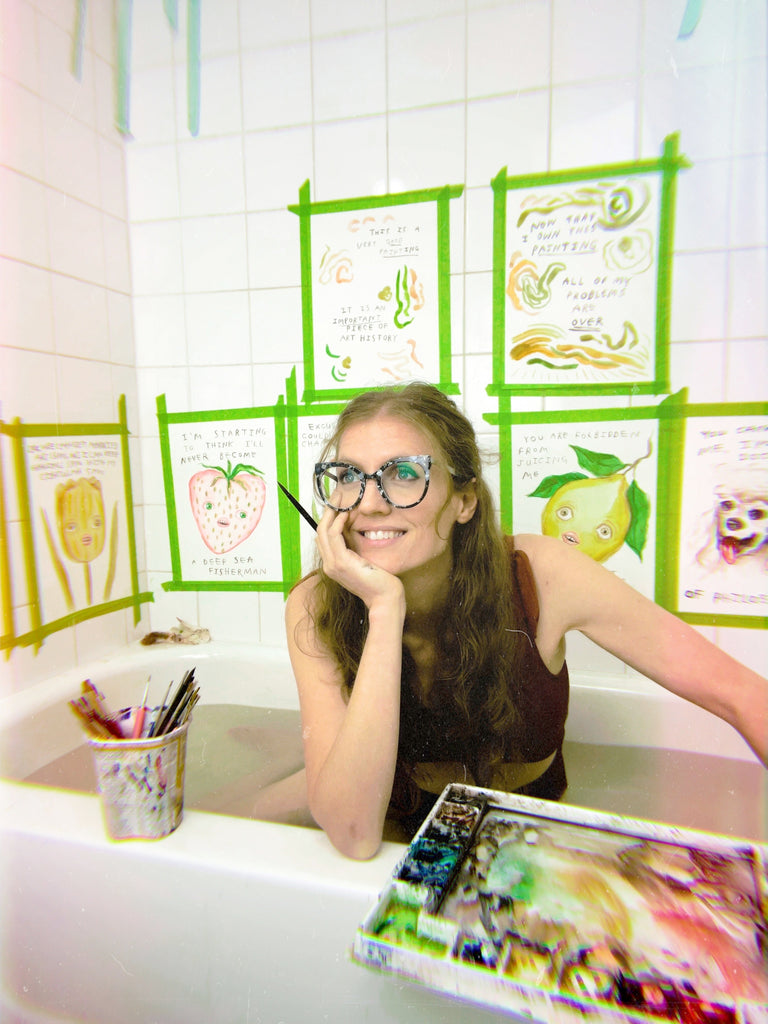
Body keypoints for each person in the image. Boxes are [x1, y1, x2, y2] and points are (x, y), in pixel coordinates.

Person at [284, 382, 767, 860]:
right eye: (348, 475)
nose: (368, 503)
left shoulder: (542, 577)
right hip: (394, 852)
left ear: (464, 501)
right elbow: (353, 836)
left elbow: (741, 694)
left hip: (536, 852)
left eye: (405, 473)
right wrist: (385, 609)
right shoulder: (315, 607)